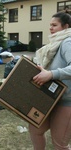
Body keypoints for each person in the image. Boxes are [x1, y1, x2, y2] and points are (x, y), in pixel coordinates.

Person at [29, 11, 71, 149]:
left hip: (66, 101)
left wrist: (52, 74)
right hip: (49, 98)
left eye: (54, 25)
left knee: (59, 143)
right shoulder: (54, 44)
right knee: (35, 130)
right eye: (50, 25)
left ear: (66, 27)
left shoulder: (67, 42)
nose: (50, 28)